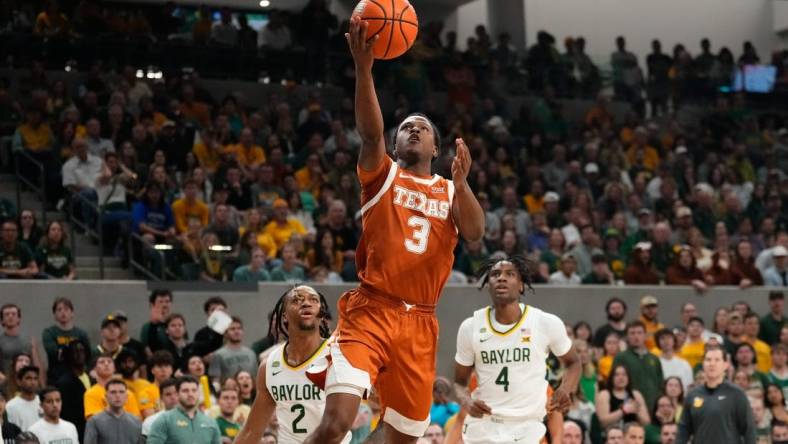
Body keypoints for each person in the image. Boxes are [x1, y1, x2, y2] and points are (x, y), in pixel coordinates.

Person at [303, 14, 485, 444]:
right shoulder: (382, 175)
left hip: (421, 324)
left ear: (436, 147)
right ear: (397, 142)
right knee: (337, 423)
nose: (413, 130)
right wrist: (364, 69)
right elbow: (370, 134)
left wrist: (462, 186)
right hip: (371, 311)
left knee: (400, 439)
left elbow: (475, 233)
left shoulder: (448, 189)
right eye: (406, 128)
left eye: (422, 128)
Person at [454, 256, 580, 443]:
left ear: (521, 285)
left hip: (527, 427)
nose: (501, 278)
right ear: (488, 284)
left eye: (510, 274)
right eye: (495, 274)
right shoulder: (470, 327)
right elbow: (459, 382)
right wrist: (467, 401)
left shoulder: (545, 322)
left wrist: (565, 388)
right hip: (484, 426)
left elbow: (574, 362)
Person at [235, 286, 351, 444]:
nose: (306, 303)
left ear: (321, 314)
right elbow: (251, 431)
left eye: (313, 300)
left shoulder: (339, 356)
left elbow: (337, 428)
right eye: (297, 300)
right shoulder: (269, 366)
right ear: (284, 316)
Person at [676, 344, 756, 444]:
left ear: (725, 365)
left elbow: (749, 430)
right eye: (708, 360)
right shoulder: (692, 395)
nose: (712, 364)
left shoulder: (737, 394)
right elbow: (683, 429)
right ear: (703, 364)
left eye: (717, 360)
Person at [147, 376, 222, 444]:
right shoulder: (164, 420)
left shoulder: (210, 422)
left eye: (194, 390)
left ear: (199, 393)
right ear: (177, 394)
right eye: (185, 391)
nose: (190, 394)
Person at [614, 321, 664, 411]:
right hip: (630, 406)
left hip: (653, 407)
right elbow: (615, 384)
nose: (636, 336)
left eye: (639, 333)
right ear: (627, 337)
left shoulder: (654, 358)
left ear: (645, 335)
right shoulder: (621, 357)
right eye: (632, 333)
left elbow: (660, 385)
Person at [42, 297, 90, 383]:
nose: (63, 312)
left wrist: (64, 352)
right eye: (59, 310)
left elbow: (88, 354)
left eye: (66, 309)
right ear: (55, 315)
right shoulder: (49, 333)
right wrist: (73, 353)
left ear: (72, 313)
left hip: (78, 377)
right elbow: (53, 352)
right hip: (56, 377)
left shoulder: (81, 333)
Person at [84, 353, 141, 420]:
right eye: (102, 362)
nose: (106, 364)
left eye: (109, 362)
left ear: (114, 368)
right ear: (95, 369)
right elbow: (92, 420)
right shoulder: (91, 393)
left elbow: (136, 420)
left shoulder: (128, 393)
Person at [84, 379, 142, 444]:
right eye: (113, 392)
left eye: (121, 392)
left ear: (126, 397)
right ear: (106, 397)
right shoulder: (94, 421)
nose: (117, 396)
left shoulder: (136, 421)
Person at [209, 317, 257, 386]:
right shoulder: (218, 355)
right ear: (225, 333)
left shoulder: (251, 353)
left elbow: (255, 378)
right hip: (229, 394)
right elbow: (216, 381)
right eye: (232, 329)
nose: (236, 331)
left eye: (239, 328)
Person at [7, 366, 41, 431]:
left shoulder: (43, 402)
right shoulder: (11, 406)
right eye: (28, 378)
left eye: (35, 378)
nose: (33, 382)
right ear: (19, 381)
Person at [140, 289, 172, 355]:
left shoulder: (177, 324)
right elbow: (147, 349)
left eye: (167, 301)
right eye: (160, 302)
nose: (164, 305)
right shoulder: (147, 327)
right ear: (152, 305)